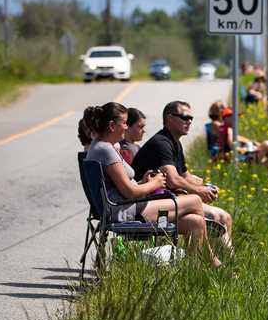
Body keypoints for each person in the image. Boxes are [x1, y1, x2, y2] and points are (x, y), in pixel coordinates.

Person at [82, 102, 217, 262]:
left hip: (124, 207)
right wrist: (155, 184)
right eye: (124, 123)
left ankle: (195, 267)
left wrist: (142, 182)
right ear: (112, 125)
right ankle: (210, 261)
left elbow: (122, 187)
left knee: (195, 222)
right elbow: (129, 192)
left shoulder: (101, 147)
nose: (126, 127)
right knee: (194, 200)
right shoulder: (105, 150)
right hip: (125, 212)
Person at [132, 100, 235, 254]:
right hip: (150, 206)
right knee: (213, 216)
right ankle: (210, 263)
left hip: (167, 201)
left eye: (191, 118)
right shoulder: (161, 143)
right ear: (169, 118)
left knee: (225, 217)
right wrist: (199, 192)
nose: (189, 121)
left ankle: (227, 261)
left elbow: (185, 175)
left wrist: (205, 187)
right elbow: (173, 180)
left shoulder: (175, 143)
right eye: (184, 117)